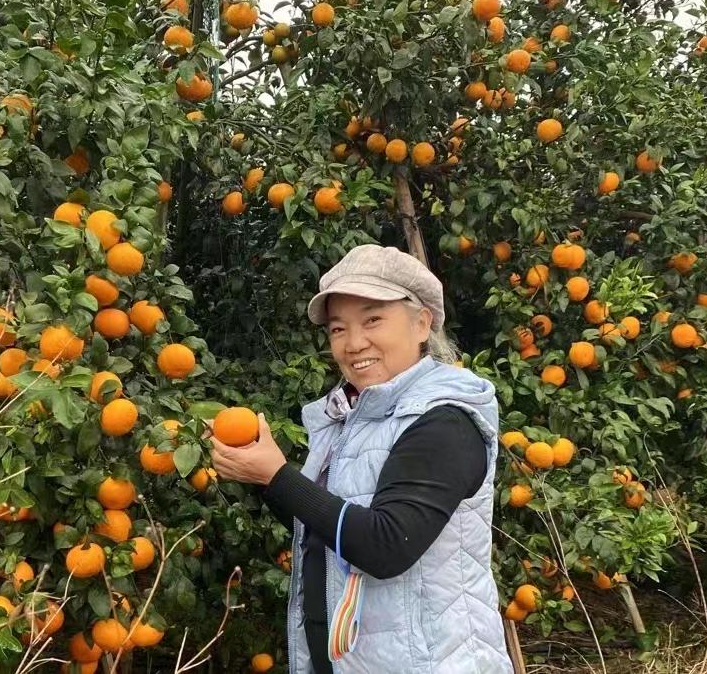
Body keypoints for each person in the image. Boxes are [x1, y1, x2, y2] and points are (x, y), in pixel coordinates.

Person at [209, 244, 513, 674]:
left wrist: (277, 477)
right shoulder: (352, 416)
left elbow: (386, 546)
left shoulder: (444, 422)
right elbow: (327, 528)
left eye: (373, 320)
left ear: (422, 322)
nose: (353, 344)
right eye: (337, 329)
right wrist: (260, 474)